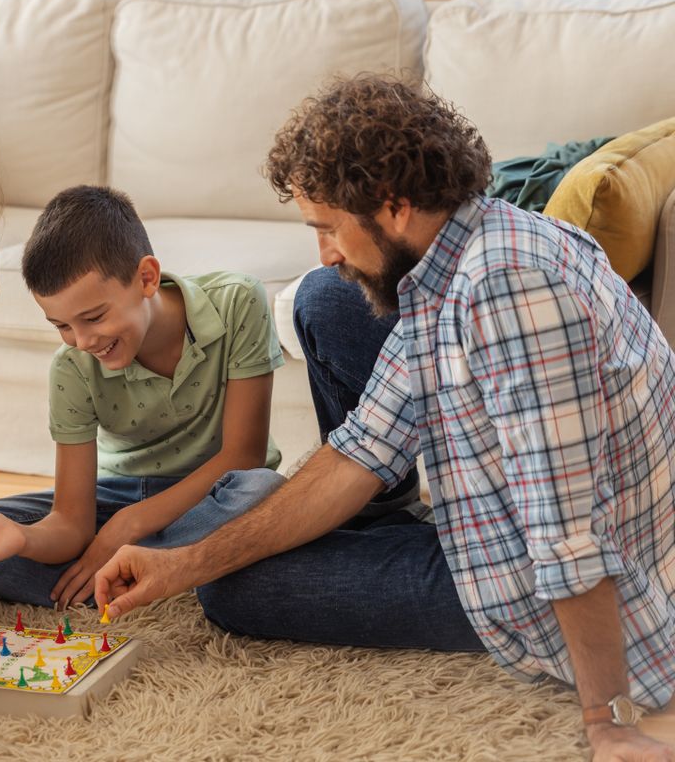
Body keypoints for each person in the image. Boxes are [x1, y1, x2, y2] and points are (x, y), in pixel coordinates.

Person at [94, 75, 675, 761]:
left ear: (394, 206)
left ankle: (299, 525)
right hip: (513, 524)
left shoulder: (506, 290)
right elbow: (359, 450)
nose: (327, 249)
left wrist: (608, 719)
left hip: (561, 590)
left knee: (233, 589)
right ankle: (344, 526)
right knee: (325, 300)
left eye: (328, 228)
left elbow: (569, 534)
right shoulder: (457, 256)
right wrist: (177, 563)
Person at [0, 185, 289, 610]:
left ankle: (144, 568)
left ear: (146, 278)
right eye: (62, 326)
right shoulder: (72, 367)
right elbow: (72, 524)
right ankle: (171, 573)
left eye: (94, 317)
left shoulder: (238, 301)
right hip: (117, 497)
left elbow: (244, 456)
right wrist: (23, 537)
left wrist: (126, 528)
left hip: (216, 495)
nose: (83, 340)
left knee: (262, 490)